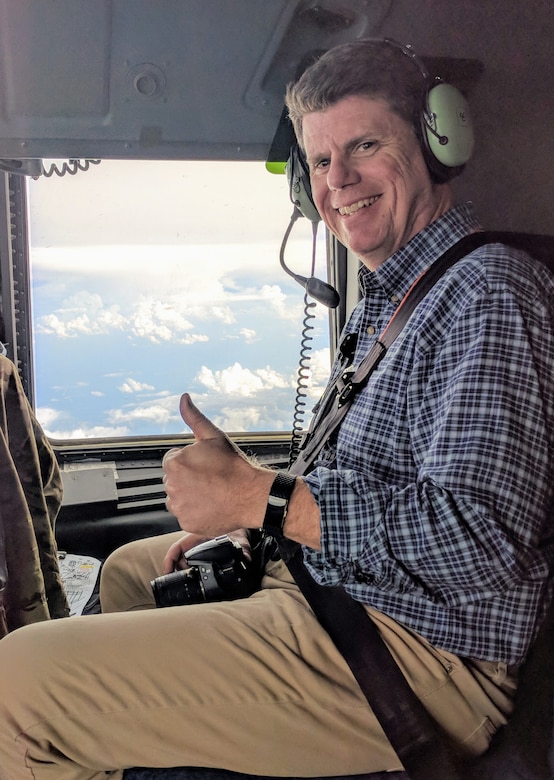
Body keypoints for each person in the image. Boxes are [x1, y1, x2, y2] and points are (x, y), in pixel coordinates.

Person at [0, 39, 553, 780]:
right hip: (345, 593)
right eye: (320, 162)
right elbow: (361, 483)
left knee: (16, 684)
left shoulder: (489, 294)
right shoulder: (391, 298)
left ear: (436, 144)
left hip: (426, 654)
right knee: (134, 572)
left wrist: (262, 497)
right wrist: (251, 523)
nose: (339, 181)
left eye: (364, 145)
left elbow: (481, 541)